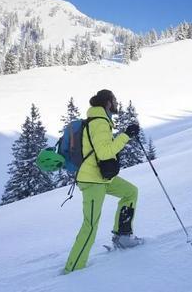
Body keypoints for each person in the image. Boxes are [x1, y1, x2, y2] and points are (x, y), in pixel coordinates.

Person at [64, 89, 142, 274]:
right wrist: (126, 136)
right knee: (90, 225)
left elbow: (103, 149)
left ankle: (123, 236)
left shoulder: (101, 121)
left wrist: (123, 136)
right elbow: (105, 152)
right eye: (114, 100)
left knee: (130, 192)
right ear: (107, 102)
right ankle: (73, 269)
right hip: (92, 181)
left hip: (101, 177)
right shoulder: (99, 122)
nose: (116, 103)